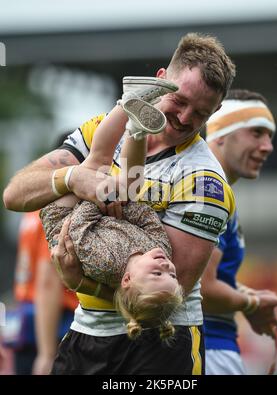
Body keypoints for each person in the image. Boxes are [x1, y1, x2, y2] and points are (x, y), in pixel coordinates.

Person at [3, 32, 236, 375]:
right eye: (180, 101)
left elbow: (168, 290)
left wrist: (81, 283)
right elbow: (15, 194)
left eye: (201, 113)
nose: (185, 119)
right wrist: (72, 179)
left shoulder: (206, 181)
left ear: (215, 112)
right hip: (87, 332)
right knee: (97, 168)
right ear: (160, 81)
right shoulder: (101, 128)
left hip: (161, 343)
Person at [40, 80, 184, 339]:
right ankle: (136, 128)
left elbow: (75, 231)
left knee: (97, 164)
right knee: (131, 183)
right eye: (172, 275)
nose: (166, 265)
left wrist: (99, 200)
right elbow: (147, 217)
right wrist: (123, 203)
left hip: (65, 214)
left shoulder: (106, 264)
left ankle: (123, 104)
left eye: (157, 273)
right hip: (104, 214)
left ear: (127, 280)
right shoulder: (160, 248)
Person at [201, 89, 277, 375]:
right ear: (220, 133)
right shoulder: (208, 190)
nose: (268, 147)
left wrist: (245, 296)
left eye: (270, 137)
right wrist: (252, 303)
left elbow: (194, 276)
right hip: (208, 348)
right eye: (256, 133)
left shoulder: (215, 189)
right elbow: (201, 288)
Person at [4, 209, 78, 375]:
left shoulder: (31, 212)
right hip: (52, 328)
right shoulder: (54, 213)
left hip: (29, 323)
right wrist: (47, 353)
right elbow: (48, 281)